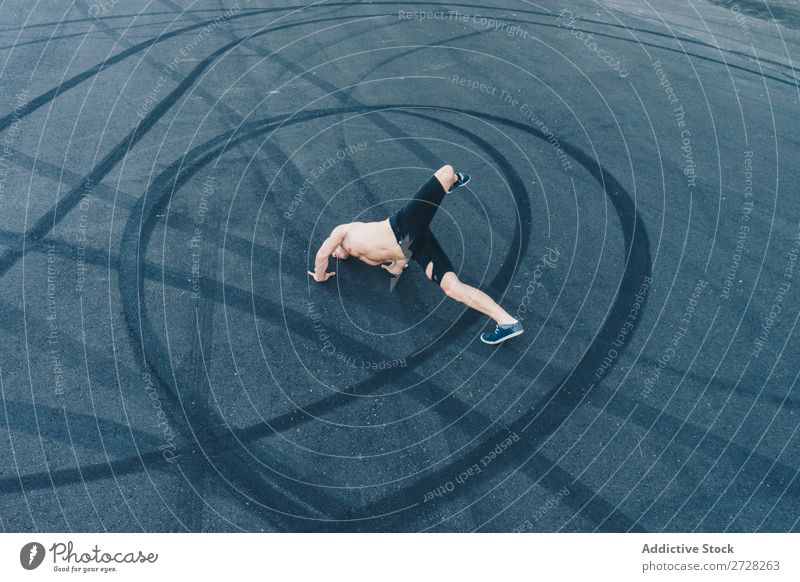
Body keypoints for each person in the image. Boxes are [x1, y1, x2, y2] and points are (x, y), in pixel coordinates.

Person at [308, 165, 524, 344]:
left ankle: (453, 179)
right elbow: (397, 254)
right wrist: (396, 266)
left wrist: (320, 275)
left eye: (335, 252)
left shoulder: (343, 231)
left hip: (404, 223)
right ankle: (507, 322)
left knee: (445, 171)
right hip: (415, 245)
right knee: (451, 287)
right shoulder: (361, 254)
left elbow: (321, 256)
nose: (335, 255)